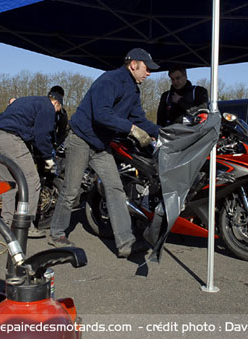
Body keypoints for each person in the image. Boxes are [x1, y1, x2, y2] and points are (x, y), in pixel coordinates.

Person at [48, 48, 160, 258]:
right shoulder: (110, 80)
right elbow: (101, 114)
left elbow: (139, 119)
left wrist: (163, 132)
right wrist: (131, 129)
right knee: (71, 189)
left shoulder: (134, 91)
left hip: (100, 146)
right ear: (134, 64)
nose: (149, 73)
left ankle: (126, 243)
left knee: (115, 187)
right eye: (146, 68)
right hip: (80, 139)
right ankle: (57, 233)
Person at [0, 93, 62, 238]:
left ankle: (7, 221)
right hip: (12, 139)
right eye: (58, 110)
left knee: (10, 183)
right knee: (32, 180)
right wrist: (48, 157)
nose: (55, 113)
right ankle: (26, 226)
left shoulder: (26, 101)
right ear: (56, 103)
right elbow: (42, 135)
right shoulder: (47, 106)